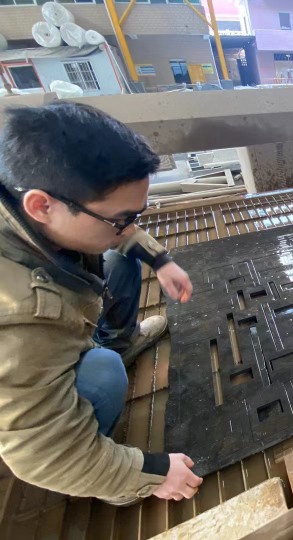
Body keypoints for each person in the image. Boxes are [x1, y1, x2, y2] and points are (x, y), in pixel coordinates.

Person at [0, 102, 203, 505]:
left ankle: (119, 339)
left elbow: (111, 229)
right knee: (104, 372)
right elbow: (38, 451)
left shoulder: (24, 199)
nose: (128, 228)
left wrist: (160, 260)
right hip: (23, 422)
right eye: (121, 219)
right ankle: (103, 477)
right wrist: (149, 475)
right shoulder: (19, 314)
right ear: (42, 205)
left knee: (118, 255)